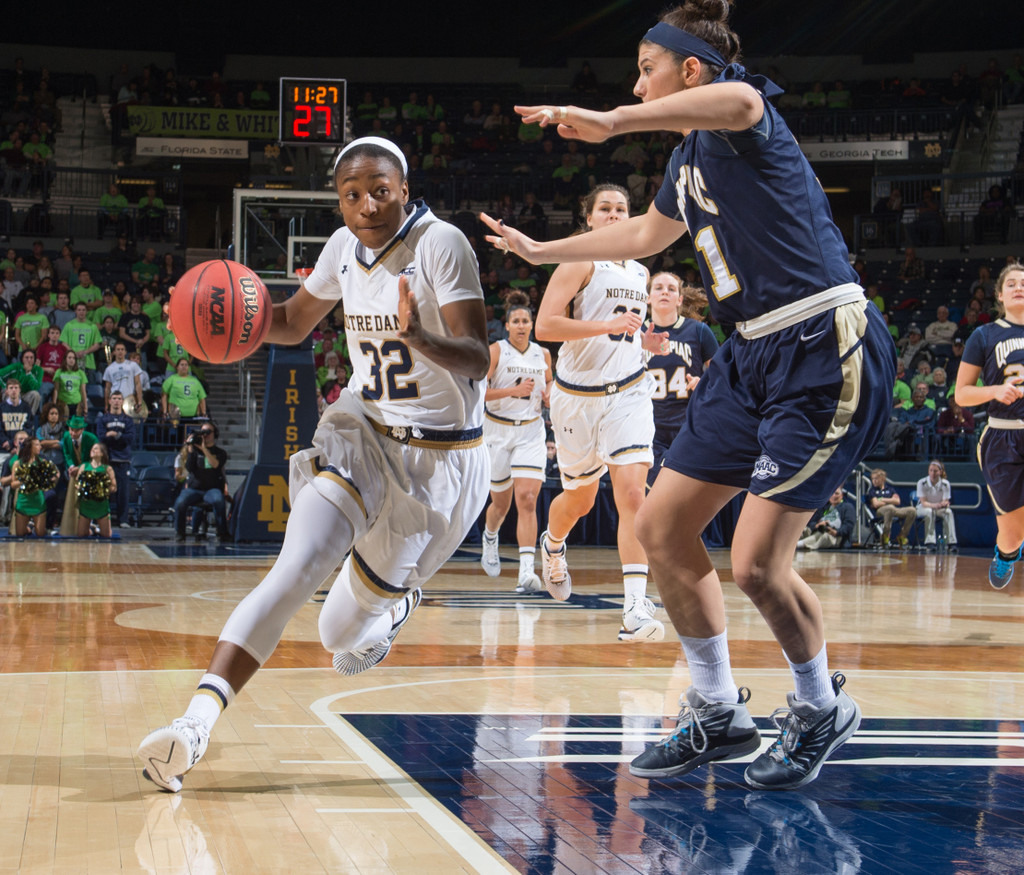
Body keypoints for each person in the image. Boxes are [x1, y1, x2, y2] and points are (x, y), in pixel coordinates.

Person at [481, 2, 894, 791]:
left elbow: (740, 101)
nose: (637, 83)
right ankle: (716, 708)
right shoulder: (685, 163)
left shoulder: (741, 112)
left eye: (647, 69)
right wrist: (543, 250)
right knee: (663, 527)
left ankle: (818, 704)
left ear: (690, 70)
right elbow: (643, 236)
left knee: (757, 565)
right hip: (750, 355)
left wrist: (610, 120)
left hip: (819, 339)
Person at [137, 137, 491, 793]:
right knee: (295, 568)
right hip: (362, 427)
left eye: (379, 189)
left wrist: (422, 339)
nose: (366, 204)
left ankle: (399, 598)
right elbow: (291, 322)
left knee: (338, 633)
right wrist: (208, 328)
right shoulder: (339, 248)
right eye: (352, 193)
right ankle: (194, 723)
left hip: (440, 461)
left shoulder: (443, 244)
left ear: (403, 188)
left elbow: (477, 356)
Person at [519, 183, 666, 643]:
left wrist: (643, 343)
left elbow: (622, 332)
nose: (615, 215)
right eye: (605, 208)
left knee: (633, 496)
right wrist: (606, 325)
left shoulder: (641, 272)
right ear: (589, 218)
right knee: (580, 500)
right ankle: (553, 544)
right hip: (576, 396)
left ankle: (635, 609)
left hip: (628, 391)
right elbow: (545, 325)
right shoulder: (579, 260)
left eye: (622, 209)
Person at [955, 261, 1024, 587]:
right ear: (999, 294)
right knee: (1011, 537)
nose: (1019, 287)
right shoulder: (984, 335)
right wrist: (995, 390)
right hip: (1002, 436)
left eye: (1023, 282)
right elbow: (962, 395)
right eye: (1011, 283)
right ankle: (1006, 554)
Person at [479, 291, 553, 594]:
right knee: (500, 504)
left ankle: (526, 572)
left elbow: (549, 387)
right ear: (507, 325)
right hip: (496, 431)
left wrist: (550, 395)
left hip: (531, 432)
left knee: (527, 499)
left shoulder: (544, 354)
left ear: (532, 324)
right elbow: (479, 394)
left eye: (526, 321)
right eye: (516, 321)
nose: (521, 325)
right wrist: (513, 391)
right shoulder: (495, 351)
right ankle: (490, 535)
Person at [644, 272, 718, 486]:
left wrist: (703, 384)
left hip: (688, 427)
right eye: (658, 288)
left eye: (671, 288)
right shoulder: (638, 332)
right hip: (648, 429)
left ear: (680, 299)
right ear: (647, 297)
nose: (665, 291)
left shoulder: (699, 331)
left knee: (683, 498)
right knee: (653, 497)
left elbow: (720, 378)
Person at [95, 391, 135, 527]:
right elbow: (101, 438)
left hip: (123, 461)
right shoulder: (103, 419)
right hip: (107, 460)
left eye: (119, 398)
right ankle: (101, 518)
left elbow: (129, 439)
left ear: (122, 401)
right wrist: (114, 437)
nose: (116, 401)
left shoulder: (128, 420)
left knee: (123, 493)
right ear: (110, 401)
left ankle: (123, 520)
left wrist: (115, 435)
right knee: (104, 491)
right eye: (114, 398)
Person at [9, 436, 58, 536]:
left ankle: (34, 526)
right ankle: (30, 528)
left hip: (38, 501)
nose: (40, 446)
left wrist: (52, 480)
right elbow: (13, 484)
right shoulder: (18, 463)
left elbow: (56, 473)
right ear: (30, 447)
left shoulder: (43, 462)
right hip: (23, 501)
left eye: (40, 444)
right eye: (37, 444)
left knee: (40, 534)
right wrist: (25, 479)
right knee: (20, 534)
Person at [866, 468, 916, 549]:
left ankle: (902, 536)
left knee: (912, 510)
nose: (874, 481)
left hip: (894, 509)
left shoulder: (890, 489)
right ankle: (885, 537)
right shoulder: (872, 491)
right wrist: (890, 501)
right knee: (889, 508)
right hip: (880, 511)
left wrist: (882, 499)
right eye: (872, 479)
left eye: (876, 478)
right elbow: (876, 504)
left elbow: (898, 501)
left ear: (883, 479)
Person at [914, 459, 957, 551]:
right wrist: (935, 505)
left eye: (935, 471)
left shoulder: (945, 484)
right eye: (931, 470)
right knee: (929, 512)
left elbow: (945, 500)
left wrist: (945, 504)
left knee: (948, 512)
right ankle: (930, 543)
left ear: (940, 472)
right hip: (923, 508)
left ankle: (951, 542)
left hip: (938, 508)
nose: (933, 473)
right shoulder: (921, 482)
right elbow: (924, 502)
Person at [76, 441, 116, 537]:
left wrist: (102, 490)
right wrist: (82, 488)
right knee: (81, 534)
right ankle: (92, 529)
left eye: (96, 448)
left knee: (106, 535)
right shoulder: (83, 466)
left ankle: (96, 528)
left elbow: (114, 487)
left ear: (102, 453)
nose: (93, 450)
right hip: (86, 504)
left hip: (101, 505)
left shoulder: (107, 468)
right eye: (92, 448)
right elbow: (77, 483)